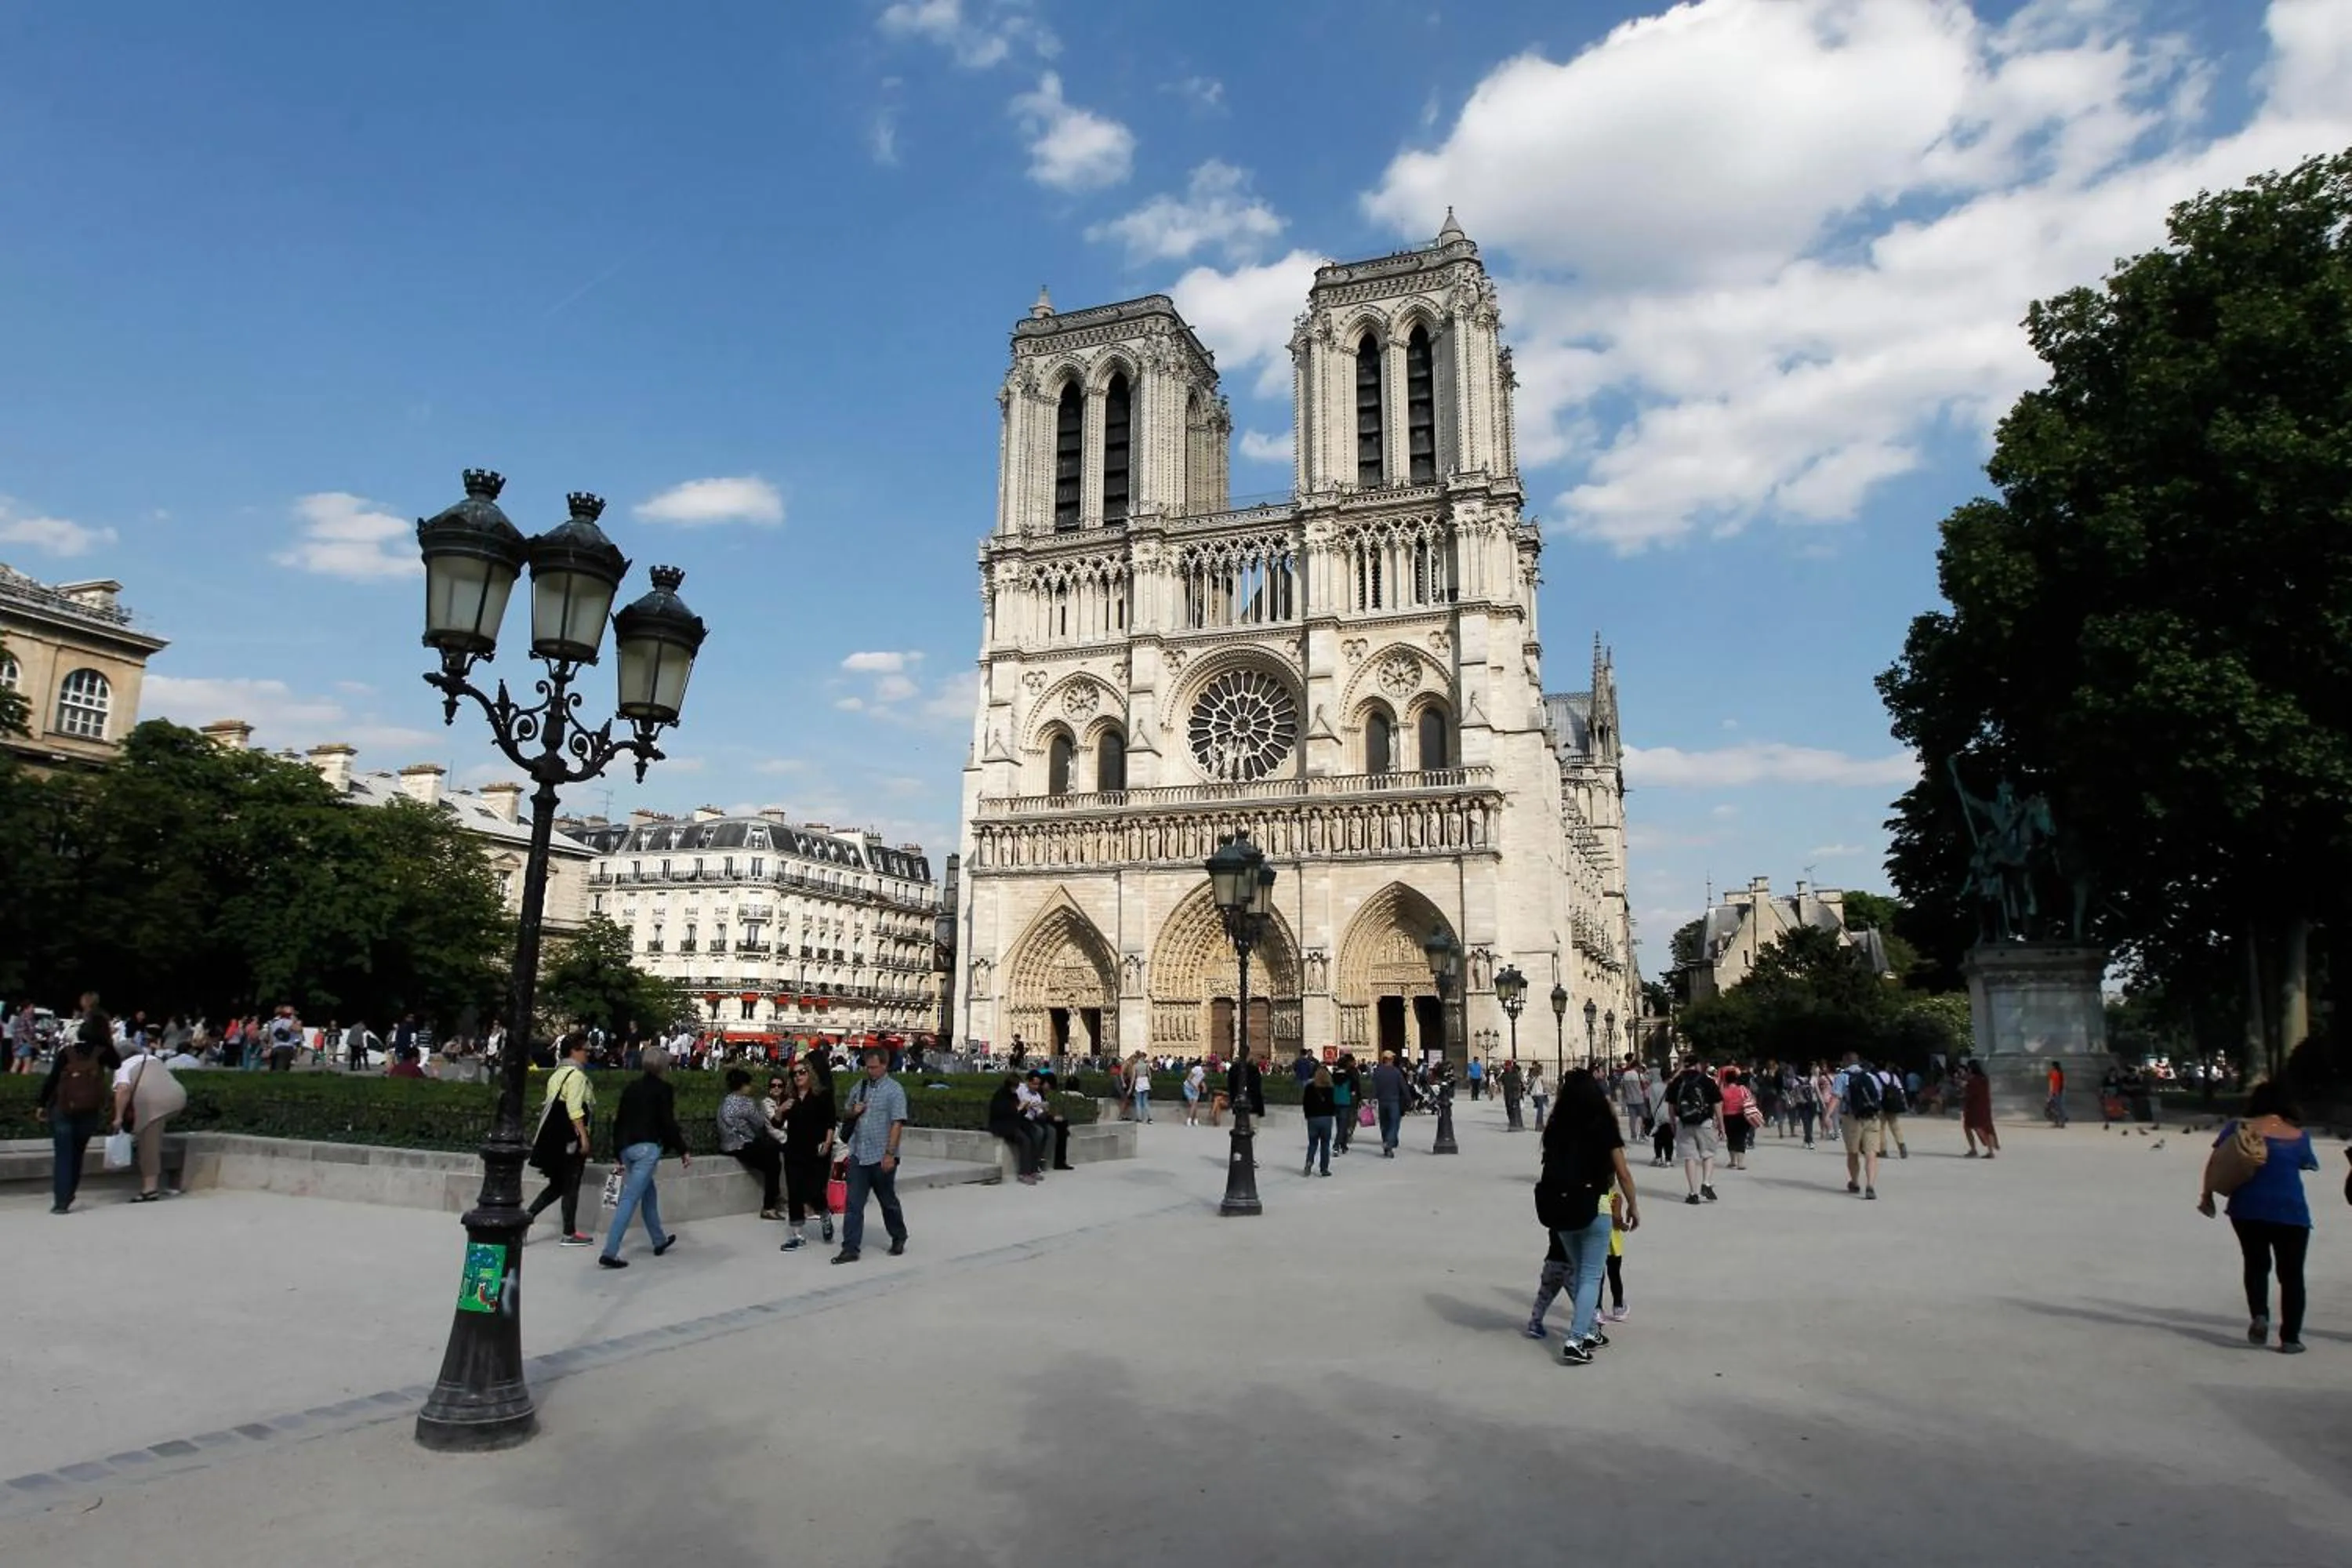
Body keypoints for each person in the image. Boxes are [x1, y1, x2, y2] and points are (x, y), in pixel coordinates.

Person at [2198, 1083, 2322, 1353]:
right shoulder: (2299, 1135)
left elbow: (2216, 1160)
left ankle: (2260, 1315)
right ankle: (2290, 1338)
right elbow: (2308, 1163)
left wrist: (2207, 1194)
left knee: (2256, 1264)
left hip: (2246, 1208)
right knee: (2291, 1275)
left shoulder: (2238, 1128)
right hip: (2290, 1211)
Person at [1526, 1068, 1640, 1362]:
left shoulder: (1555, 1126)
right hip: (1594, 1204)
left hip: (1559, 1207)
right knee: (1591, 1276)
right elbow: (1623, 1174)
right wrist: (1633, 1205)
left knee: (1580, 1274)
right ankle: (1576, 1339)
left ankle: (1590, 1330)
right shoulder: (1602, 1125)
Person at [600, 1046, 688, 1269]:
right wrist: (682, 1149)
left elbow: (620, 1121)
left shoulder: (631, 1087)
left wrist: (618, 1152)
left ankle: (659, 1240)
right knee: (629, 1199)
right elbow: (667, 1122)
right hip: (647, 1148)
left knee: (649, 1194)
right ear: (663, 1065)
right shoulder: (664, 1089)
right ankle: (610, 1251)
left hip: (627, 1148)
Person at [38, 993, 121, 1214]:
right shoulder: (103, 1053)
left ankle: (61, 1202)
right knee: (77, 1152)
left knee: (63, 1155)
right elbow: (117, 1063)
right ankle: (70, 1191)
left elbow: (52, 1080)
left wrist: (41, 1104)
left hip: (63, 1107)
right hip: (89, 1109)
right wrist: (106, 1042)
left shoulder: (67, 1052)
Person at [833, 1050, 908, 1264]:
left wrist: (890, 1154)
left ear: (885, 1065)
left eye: (874, 1067)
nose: (870, 1071)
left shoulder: (894, 1090)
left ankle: (898, 1235)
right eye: (867, 1067)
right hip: (859, 1154)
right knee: (853, 1204)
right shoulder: (860, 1086)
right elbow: (846, 1112)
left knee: (888, 1201)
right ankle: (850, 1248)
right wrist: (853, 1111)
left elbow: (897, 1123)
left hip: (881, 1155)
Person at [526, 1033, 597, 1244]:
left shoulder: (557, 1074)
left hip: (554, 1139)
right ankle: (569, 1233)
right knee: (571, 1185)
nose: (588, 1054)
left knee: (558, 1185)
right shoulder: (576, 1076)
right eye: (586, 1050)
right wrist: (584, 1137)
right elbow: (575, 1109)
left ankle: (526, 1219)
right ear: (574, 1051)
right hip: (570, 1139)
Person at [110, 1034, 187, 1203]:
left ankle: (150, 1189)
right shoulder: (153, 1058)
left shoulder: (123, 1067)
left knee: (148, 1146)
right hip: (178, 1097)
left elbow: (123, 1090)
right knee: (152, 1135)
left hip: (153, 1104)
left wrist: (118, 1117)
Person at [779, 1058, 837, 1249]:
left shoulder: (822, 1095)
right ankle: (797, 1235)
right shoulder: (790, 1097)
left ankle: (824, 1214)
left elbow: (830, 1122)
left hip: (816, 1150)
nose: (798, 1076)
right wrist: (780, 1110)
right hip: (794, 1151)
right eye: (794, 1074)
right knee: (795, 1192)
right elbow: (777, 1123)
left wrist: (827, 1143)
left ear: (810, 1073)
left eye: (802, 1072)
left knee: (814, 1191)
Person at [717, 1067, 786, 1220]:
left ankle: (774, 1196)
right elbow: (760, 1122)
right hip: (742, 1144)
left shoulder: (726, 1101)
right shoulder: (746, 1103)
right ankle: (770, 1205)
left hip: (727, 1145)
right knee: (774, 1161)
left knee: (771, 1158)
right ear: (743, 1086)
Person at [1661, 1056, 1723, 1204]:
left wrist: (1673, 1123)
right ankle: (1706, 1183)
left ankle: (1693, 1193)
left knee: (1689, 1158)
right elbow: (1717, 1104)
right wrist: (1721, 1124)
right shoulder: (1707, 1080)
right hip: (1705, 1122)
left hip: (1684, 1123)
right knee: (1708, 1154)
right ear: (1697, 1065)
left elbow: (1671, 1106)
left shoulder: (1677, 1082)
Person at [1835, 1051, 1886, 1200]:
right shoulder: (1871, 1077)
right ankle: (1870, 1185)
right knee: (1871, 1154)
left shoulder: (1842, 1077)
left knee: (1853, 1153)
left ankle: (1855, 1182)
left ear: (1845, 1062)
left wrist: (1827, 1115)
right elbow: (1879, 1096)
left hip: (1852, 1118)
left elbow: (1836, 1097)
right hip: (1872, 1117)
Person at [989, 1072, 1045, 1185]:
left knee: (1033, 1134)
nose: (1016, 1089)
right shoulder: (1000, 1095)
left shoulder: (1014, 1095)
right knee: (1025, 1140)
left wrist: (1025, 1108)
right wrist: (1019, 1108)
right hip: (1003, 1125)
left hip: (1015, 1122)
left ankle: (1033, 1169)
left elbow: (1019, 1112)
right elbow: (1002, 1113)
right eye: (1015, 1087)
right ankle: (1024, 1173)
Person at [1370, 1050, 1407, 1158]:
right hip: (1393, 1101)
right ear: (1391, 1059)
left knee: (1384, 1124)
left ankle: (1386, 1144)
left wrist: (1371, 1098)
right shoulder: (1396, 1072)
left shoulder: (1377, 1072)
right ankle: (1389, 1143)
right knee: (1394, 1123)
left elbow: (1373, 1087)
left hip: (1382, 1101)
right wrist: (1408, 1099)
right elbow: (1403, 1087)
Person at [1961, 1059, 1999, 1158]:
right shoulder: (1984, 1079)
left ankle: (1974, 1149)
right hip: (1984, 1106)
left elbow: (1969, 1094)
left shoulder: (1973, 1080)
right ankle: (1990, 1151)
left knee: (1971, 1127)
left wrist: (1964, 1086)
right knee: (1986, 1127)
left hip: (1974, 1107)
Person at [1302, 1065, 1336, 1177]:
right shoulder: (1330, 1088)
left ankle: (1309, 1163)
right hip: (1326, 1118)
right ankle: (1324, 1168)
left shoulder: (1309, 1087)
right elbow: (1333, 1104)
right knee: (1325, 1144)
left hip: (1313, 1118)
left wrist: (1307, 1116)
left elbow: (1305, 1103)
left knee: (1312, 1143)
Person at [1720, 1069, 1754, 1171]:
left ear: (1726, 1080)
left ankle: (1733, 1161)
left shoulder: (1723, 1092)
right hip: (1741, 1116)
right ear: (1736, 1079)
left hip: (1727, 1117)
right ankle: (1740, 1163)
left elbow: (1720, 1106)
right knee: (1741, 1138)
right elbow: (1751, 1100)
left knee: (1731, 1139)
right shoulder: (1743, 1089)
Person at [1877, 1061, 1911, 1158]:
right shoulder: (1894, 1077)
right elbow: (1901, 1090)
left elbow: (1876, 1091)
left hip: (1882, 1105)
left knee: (1881, 1128)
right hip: (1892, 1105)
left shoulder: (1877, 1076)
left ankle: (1883, 1150)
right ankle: (1901, 1145)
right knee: (1895, 1126)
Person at [1331, 1052, 1359, 1152]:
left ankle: (1343, 1145)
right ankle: (1336, 1145)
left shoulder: (1333, 1075)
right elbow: (1353, 1090)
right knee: (1344, 1125)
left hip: (1335, 1101)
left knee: (1340, 1124)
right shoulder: (1349, 1076)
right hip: (1346, 1101)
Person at [1501, 1059, 1525, 1131]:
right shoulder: (1504, 1075)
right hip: (1507, 1094)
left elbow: (1519, 1085)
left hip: (1514, 1094)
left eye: (1508, 1066)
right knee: (1509, 1109)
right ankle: (1512, 1123)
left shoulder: (1515, 1074)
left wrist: (1518, 1094)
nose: (1507, 1067)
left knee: (1515, 1110)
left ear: (1511, 1066)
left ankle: (1517, 1125)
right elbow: (1501, 1082)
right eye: (1506, 1066)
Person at [2044, 1060, 2070, 1127]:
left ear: (2053, 1066)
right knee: (2060, 1106)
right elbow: (2064, 1083)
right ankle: (2062, 1121)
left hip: (2055, 1092)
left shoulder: (2052, 1073)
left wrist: (2050, 1094)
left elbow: (2051, 1084)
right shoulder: (2061, 1072)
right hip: (2061, 1091)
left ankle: (2057, 1122)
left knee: (2054, 1107)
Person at [1130, 1053, 1153, 1124]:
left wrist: (1131, 1087)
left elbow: (1133, 1077)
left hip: (1139, 1081)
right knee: (1145, 1101)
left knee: (1138, 1101)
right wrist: (1149, 1084)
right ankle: (1150, 1118)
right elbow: (1150, 1076)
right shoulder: (1146, 1065)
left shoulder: (1135, 1066)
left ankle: (1139, 1118)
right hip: (1145, 1081)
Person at [1182, 1059, 1206, 1125]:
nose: (1210, 1070)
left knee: (1194, 1104)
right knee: (1192, 1104)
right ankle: (1195, 1119)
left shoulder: (1205, 1074)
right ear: (1206, 1067)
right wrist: (1195, 1086)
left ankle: (1190, 1119)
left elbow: (1201, 1080)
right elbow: (1189, 1078)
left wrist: (1204, 1086)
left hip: (1196, 1090)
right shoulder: (1197, 1069)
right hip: (1188, 1088)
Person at [1527, 1063, 1548, 1131]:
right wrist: (1546, 1093)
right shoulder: (1540, 1077)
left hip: (1534, 1095)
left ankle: (1540, 1125)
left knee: (1539, 1110)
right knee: (1540, 1111)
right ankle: (1539, 1125)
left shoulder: (1533, 1077)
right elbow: (1543, 1087)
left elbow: (1529, 1085)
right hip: (1539, 1094)